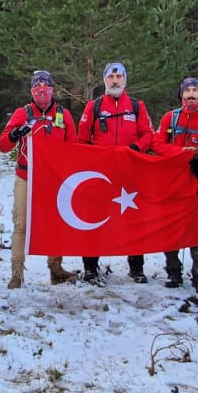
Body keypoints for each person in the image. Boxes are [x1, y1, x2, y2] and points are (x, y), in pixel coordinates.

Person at [76, 62, 155, 285]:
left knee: (134, 220)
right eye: (110, 77)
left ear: (125, 80)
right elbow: (82, 140)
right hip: (101, 174)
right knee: (94, 219)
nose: (115, 80)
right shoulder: (95, 106)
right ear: (104, 81)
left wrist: (136, 149)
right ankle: (90, 268)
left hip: (130, 171)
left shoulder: (137, 106)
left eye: (119, 76)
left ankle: (136, 268)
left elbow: (148, 134)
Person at [1, 70, 79, 289]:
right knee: (21, 223)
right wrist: (16, 134)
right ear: (31, 91)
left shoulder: (63, 114)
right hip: (27, 175)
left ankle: (56, 268)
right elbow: (3, 145)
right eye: (37, 87)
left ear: (53, 89)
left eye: (46, 86)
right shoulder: (22, 112)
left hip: (54, 179)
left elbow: (74, 146)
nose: (42, 90)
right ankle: (16, 273)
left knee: (54, 223)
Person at [152, 76, 198, 295]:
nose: (191, 95)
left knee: (195, 235)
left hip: (195, 187)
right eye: (187, 91)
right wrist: (180, 153)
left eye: (195, 91)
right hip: (170, 185)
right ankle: (173, 271)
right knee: (169, 232)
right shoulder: (169, 119)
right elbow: (157, 144)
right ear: (181, 94)